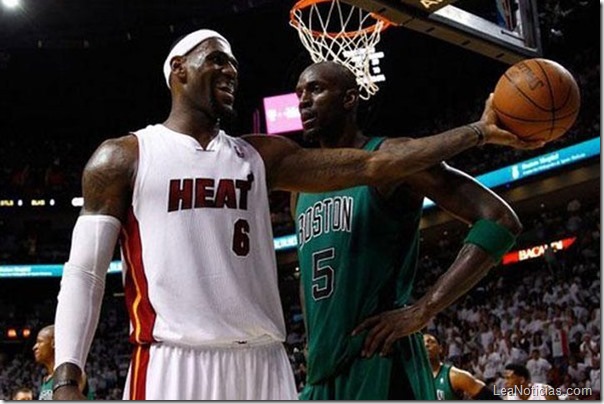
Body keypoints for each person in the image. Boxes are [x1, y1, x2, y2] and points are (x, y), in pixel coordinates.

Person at [52, 29, 540, 401]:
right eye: (217, 59)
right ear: (178, 69)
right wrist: (67, 375)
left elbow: (376, 164)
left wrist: (479, 131)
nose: (230, 71)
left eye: (234, 64)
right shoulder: (124, 156)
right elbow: (85, 273)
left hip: (268, 362)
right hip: (177, 359)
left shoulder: (262, 156)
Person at [291, 61, 538, 399]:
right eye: (299, 94)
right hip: (321, 369)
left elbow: (499, 219)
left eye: (316, 89)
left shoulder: (395, 157)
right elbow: (307, 277)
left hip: (379, 359)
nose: (304, 101)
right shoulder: (300, 187)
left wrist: (424, 310)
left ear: (349, 98)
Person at [424, 333, 501, 400]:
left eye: (431, 342)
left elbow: (491, 398)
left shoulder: (455, 376)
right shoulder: (418, 380)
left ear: (440, 349)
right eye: (422, 344)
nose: (426, 345)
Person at [32, 325, 93, 400]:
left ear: (54, 343)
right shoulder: (47, 380)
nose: (35, 347)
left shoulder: (72, 374)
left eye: (40, 342)